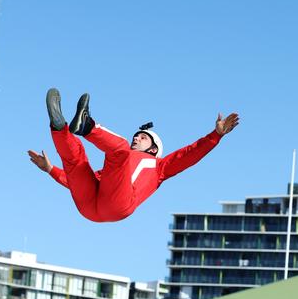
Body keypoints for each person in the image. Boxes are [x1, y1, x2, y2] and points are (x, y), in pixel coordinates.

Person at [28, 88, 239, 222]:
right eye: (136, 137)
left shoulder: (160, 167)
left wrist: (216, 135)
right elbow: (76, 182)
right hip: (89, 206)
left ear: (154, 149)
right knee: (77, 162)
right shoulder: (114, 169)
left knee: (119, 149)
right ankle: (59, 128)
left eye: (142, 138)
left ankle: (87, 126)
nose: (136, 139)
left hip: (118, 205)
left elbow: (189, 155)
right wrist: (50, 169)